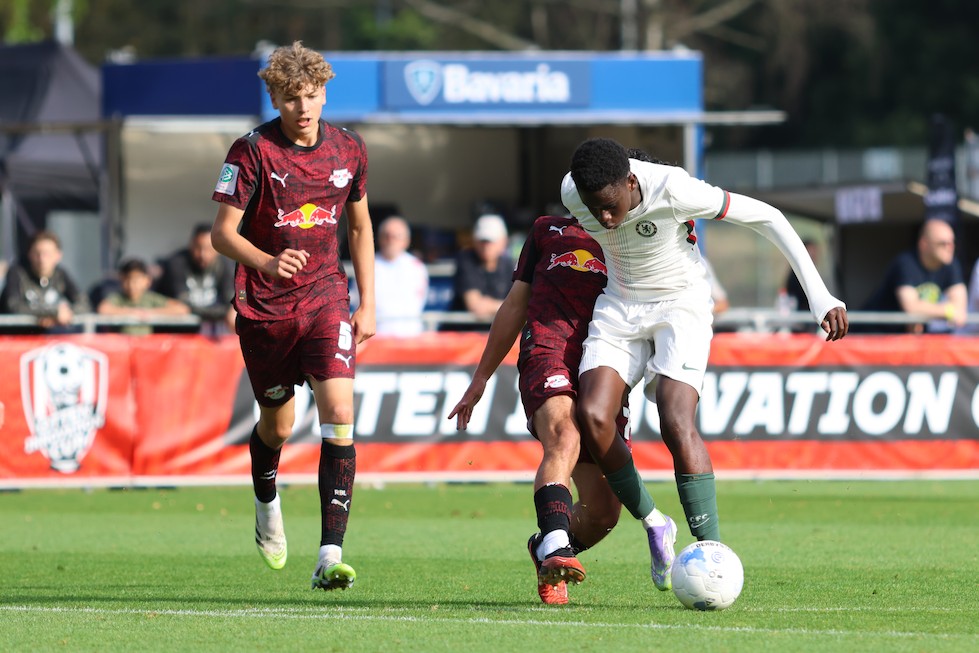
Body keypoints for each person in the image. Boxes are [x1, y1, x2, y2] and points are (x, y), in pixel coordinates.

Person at [561, 137, 848, 569]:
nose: (603, 217)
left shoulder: (674, 189)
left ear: (632, 181)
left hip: (681, 305)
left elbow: (768, 217)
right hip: (619, 305)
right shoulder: (572, 188)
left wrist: (820, 296)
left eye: (609, 205)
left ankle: (711, 556)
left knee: (675, 421)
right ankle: (655, 521)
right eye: (593, 207)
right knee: (594, 417)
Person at [209, 41, 375, 592]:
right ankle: (265, 497)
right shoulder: (251, 151)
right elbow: (221, 234)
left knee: (339, 417)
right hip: (264, 309)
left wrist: (368, 302)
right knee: (277, 426)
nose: (303, 108)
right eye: (289, 98)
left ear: (325, 93)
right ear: (274, 99)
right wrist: (266, 262)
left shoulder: (349, 149)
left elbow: (358, 227)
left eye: (311, 96)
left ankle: (329, 554)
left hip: (328, 298)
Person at [448, 212, 675, 604]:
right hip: (546, 350)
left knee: (604, 514)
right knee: (563, 435)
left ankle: (544, 545)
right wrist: (481, 376)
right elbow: (516, 304)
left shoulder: (634, 241)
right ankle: (556, 546)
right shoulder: (545, 230)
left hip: (605, 364)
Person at [861, 218, 966, 334]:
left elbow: (960, 306)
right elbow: (911, 307)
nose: (949, 247)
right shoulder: (906, 263)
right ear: (924, 244)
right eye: (942, 243)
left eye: (952, 242)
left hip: (909, 338)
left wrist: (924, 312)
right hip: (875, 334)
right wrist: (948, 311)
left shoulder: (950, 264)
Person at [0, 230, 90, 332]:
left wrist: (63, 314)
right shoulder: (17, 272)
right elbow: (13, 305)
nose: (42, 259)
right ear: (29, 254)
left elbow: (84, 303)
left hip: (47, 341)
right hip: (15, 341)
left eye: (47, 254)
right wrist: (51, 313)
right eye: (37, 253)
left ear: (58, 255)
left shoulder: (61, 274)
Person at [155, 223, 236, 334]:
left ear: (217, 248)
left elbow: (235, 298)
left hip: (214, 335)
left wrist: (238, 305)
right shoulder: (176, 263)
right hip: (177, 333)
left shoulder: (226, 265)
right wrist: (224, 312)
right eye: (198, 248)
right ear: (191, 245)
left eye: (208, 248)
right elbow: (183, 305)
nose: (203, 254)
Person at [444, 214, 514, 330]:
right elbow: (476, 306)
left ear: (504, 241)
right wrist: (508, 307)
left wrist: (492, 306)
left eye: (491, 241)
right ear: (474, 241)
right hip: (465, 337)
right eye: (482, 241)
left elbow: (519, 306)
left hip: (496, 334)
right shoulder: (466, 260)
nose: (486, 246)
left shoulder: (509, 265)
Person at [96, 258, 191, 335]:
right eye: (127, 279)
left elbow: (182, 309)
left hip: (145, 349)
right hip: (122, 348)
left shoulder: (151, 298)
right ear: (121, 280)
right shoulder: (118, 298)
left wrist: (149, 313)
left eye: (136, 280)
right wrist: (132, 312)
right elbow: (103, 309)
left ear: (147, 281)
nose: (131, 284)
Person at [373, 215, 429, 336]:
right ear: (379, 238)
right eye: (386, 236)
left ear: (406, 241)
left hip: (410, 337)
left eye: (396, 236)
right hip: (377, 338)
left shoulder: (417, 267)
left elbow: (417, 303)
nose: (391, 240)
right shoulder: (367, 264)